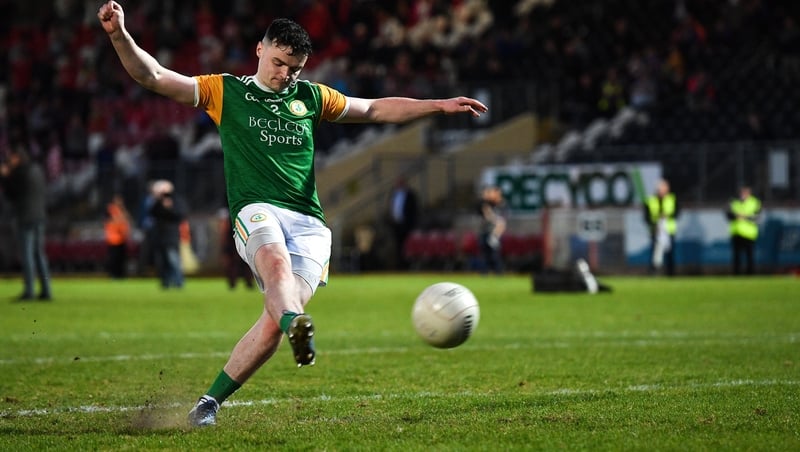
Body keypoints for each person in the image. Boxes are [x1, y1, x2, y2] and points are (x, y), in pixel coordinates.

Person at [97, 1, 488, 427]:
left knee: (271, 321)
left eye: (295, 68)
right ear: (259, 50)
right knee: (277, 270)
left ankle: (208, 404)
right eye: (280, 63)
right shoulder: (224, 90)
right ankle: (297, 323)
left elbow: (373, 109)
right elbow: (151, 76)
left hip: (310, 224)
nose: (285, 75)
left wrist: (438, 105)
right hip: (257, 208)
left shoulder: (311, 96)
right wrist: (119, 34)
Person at [0, 142, 53, 300]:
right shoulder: (36, 169)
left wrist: (4, 176)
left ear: (17, 157)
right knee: (40, 255)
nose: (9, 161)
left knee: (27, 255)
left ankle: (29, 290)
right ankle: (46, 290)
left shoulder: (19, 172)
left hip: (26, 217)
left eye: (11, 158)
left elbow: (11, 194)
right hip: (40, 216)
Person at [148, 180, 187, 289]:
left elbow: (180, 215)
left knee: (173, 259)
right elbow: (152, 212)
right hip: (160, 236)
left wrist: (169, 208)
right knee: (162, 261)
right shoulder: (158, 203)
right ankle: (166, 282)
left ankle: (179, 282)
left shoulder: (176, 201)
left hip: (171, 236)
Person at [643, 179, 679, 276]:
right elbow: (646, 216)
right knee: (655, 253)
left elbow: (677, 213)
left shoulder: (672, 199)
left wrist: (667, 216)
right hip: (656, 231)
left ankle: (671, 274)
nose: (662, 190)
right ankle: (653, 273)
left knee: (669, 254)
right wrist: (654, 223)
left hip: (669, 231)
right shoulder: (650, 200)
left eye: (664, 188)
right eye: (660, 188)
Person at [726, 186, 761, 275]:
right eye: (742, 192)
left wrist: (744, 217)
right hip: (736, 232)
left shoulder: (755, 202)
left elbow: (757, 217)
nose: (743, 194)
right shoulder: (734, 202)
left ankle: (750, 274)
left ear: (749, 193)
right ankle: (736, 274)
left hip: (749, 234)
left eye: (745, 192)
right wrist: (736, 216)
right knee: (736, 256)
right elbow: (728, 215)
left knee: (749, 256)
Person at [387, 177, 418, 270]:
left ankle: (408, 266)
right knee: (398, 246)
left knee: (407, 246)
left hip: (407, 225)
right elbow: (392, 208)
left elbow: (414, 210)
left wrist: (411, 224)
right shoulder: (393, 194)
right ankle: (399, 266)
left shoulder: (410, 195)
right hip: (396, 225)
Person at [477, 185, 506, 274]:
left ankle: (498, 272)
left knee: (494, 255)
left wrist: (495, 235)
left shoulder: (501, 204)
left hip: (494, 234)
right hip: (485, 232)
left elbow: (502, 222)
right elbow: (488, 214)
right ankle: (484, 273)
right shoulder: (485, 204)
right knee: (485, 255)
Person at [104, 194, 131, 279]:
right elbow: (115, 219)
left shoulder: (122, 210)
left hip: (122, 238)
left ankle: (120, 275)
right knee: (113, 258)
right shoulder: (111, 208)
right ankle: (113, 274)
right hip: (113, 238)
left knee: (121, 258)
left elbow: (127, 218)